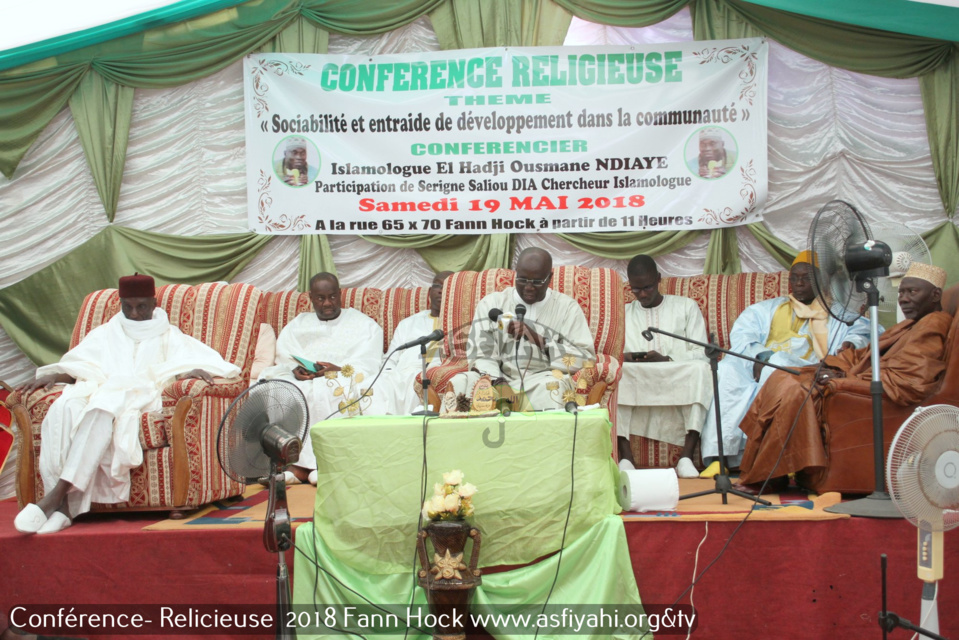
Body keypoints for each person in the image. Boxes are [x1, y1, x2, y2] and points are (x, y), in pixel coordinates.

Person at [13, 274, 240, 535]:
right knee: (67, 408)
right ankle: (65, 509)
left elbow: (193, 360)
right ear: (120, 304)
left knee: (103, 406)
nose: (134, 313)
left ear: (154, 303)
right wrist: (57, 375)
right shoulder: (107, 331)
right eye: (128, 307)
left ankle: (57, 496)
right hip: (103, 389)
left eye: (141, 306)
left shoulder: (169, 334)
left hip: (144, 395)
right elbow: (82, 364)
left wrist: (189, 371)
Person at [737, 262, 952, 490]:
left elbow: (909, 381)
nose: (904, 299)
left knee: (796, 391)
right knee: (782, 377)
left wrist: (843, 379)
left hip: (869, 393)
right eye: (901, 292)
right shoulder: (911, 324)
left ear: (935, 294)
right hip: (857, 376)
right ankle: (772, 472)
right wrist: (835, 365)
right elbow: (867, 355)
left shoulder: (933, 324)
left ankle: (769, 475)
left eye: (912, 292)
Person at [700, 252, 872, 473]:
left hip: (805, 367)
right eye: (794, 278)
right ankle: (720, 458)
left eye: (806, 278)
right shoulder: (769, 308)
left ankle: (774, 457)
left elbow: (864, 330)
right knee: (726, 369)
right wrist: (760, 356)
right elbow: (743, 335)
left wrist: (851, 341)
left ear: (822, 281)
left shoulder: (837, 311)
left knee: (779, 362)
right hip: (759, 364)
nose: (798, 284)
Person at [258, 273, 384, 484]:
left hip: (343, 375)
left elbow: (370, 361)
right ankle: (294, 466)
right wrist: (296, 370)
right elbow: (285, 357)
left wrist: (340, 369)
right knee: (281, 389)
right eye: (321, 298)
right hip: (306, 379)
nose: (327, 303)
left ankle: (324, 465)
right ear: (310, 297)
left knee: (330, 390)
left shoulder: (362, 324)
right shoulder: (299, 324)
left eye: (333, 297)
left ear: (340, 294)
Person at [448, 248, 595, 410]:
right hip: (495, 378)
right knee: (459, 383)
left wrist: (539, 340)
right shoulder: (492, 303)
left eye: (537, 281)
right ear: (515, 274)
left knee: (555, 388)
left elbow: (586, 359)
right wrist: (498, 382)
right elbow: (481, 354)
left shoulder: (567, 308)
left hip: (541, 380)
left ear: (549, 278)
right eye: (523, 279)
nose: (529, 287)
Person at [617, 255, 711, 478]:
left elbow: (702, 354)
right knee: (616, 373)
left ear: (658, 279)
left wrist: (667, 358)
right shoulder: (624, 313)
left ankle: (686, 457)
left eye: (647, 287)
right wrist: (626, 357)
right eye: (636, 289)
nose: (642, 295)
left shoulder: (686, 307)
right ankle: (625, 457)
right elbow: (610, 353)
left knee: (701, 371)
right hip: (638, 375)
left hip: (675, 371)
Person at [382, 271, 453, 414]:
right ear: (430, 292)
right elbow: (390, 359)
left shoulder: (459, 325)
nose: (441, 291)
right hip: (399, 376)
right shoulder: (407, 323)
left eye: (447, 288)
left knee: (420, 381)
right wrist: (387, 377)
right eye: (437, 286)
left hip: (433, 375)